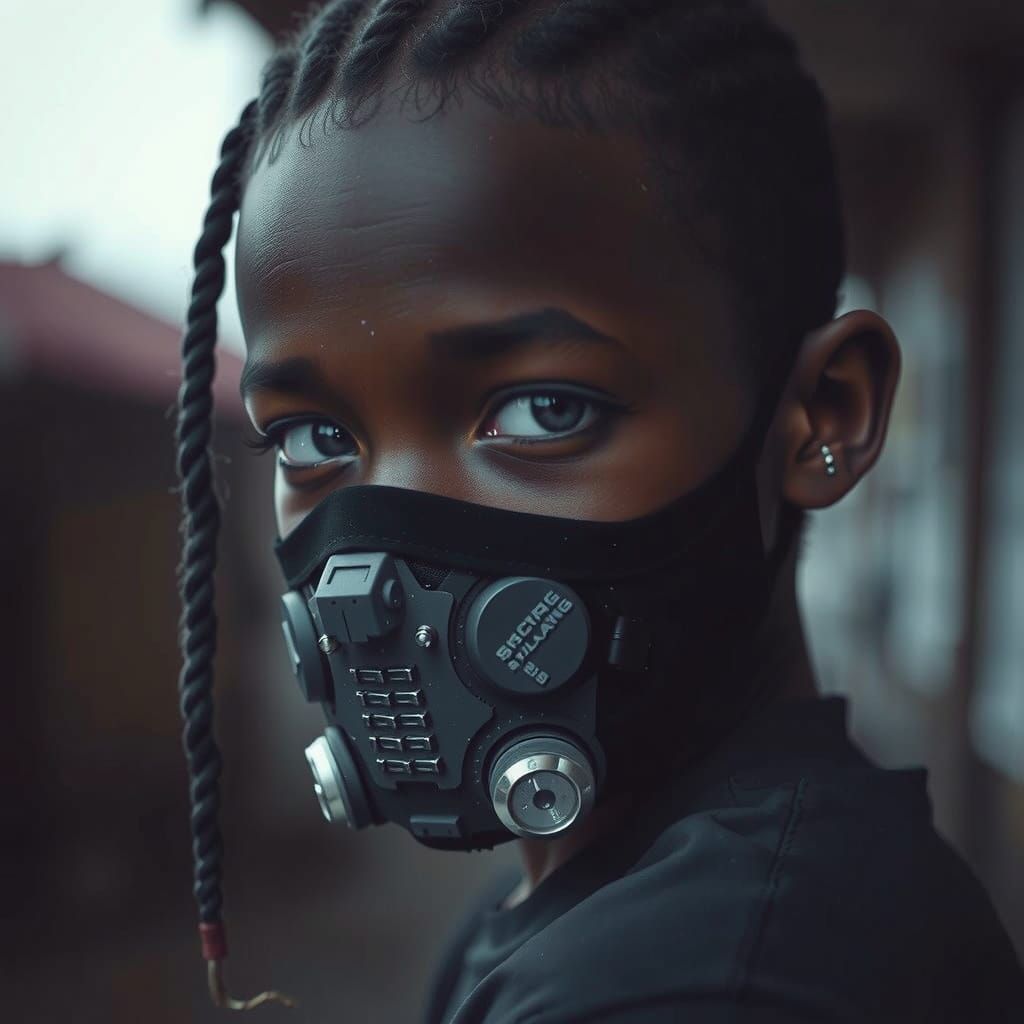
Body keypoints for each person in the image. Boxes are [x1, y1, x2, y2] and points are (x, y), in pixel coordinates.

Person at [172, 0, 1024, 1019]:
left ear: (817, 415)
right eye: (315, 437)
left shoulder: (706, 982)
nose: (374, 577)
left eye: (541, 409)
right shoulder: (597, 890)